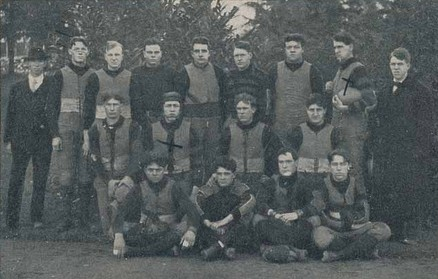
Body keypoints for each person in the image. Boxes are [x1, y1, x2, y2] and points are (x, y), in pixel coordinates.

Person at [371, 48, 436, 244]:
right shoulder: (384, 91)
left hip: (411, 153)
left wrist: (418, 152)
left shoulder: (421, 91)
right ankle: (394, 232)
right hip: (389, 151)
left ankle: (410, 233)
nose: (396, 68)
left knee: (410, 191)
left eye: (400, 64)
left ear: (408, 65)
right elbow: (379, 122)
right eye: (393, 64)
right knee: (390, 189)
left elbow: (426, 126)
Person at [4, 47, 61, 233]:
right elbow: (10, 114)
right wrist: (7, 139)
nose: (36, 64)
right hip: (20, 140)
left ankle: (36, 218)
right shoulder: (17, 87)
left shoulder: (51, 85)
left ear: (45, 64)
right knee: (16, 178)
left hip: (42, 139)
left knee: (40, 179)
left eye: (40, 61)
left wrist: (55, 135)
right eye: (33, 61)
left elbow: (53, 111)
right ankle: (11, 219)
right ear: (27, 63)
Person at [111, 151, 200, 258]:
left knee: (181, 232)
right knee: (118, 231)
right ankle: (165, 251)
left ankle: (135, 252)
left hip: (168, 230)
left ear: (165, 169)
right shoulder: (139, 187)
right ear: (144, 170)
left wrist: (191, 230)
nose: (154, 173)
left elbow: (191, 210)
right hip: (146, 230)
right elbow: (122, 210)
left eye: (158, 170)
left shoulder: (174, 187)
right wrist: (119, 236)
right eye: (150, 170)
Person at [50, 37, 96, 231]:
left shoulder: (94, 75)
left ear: (87, 52)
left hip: (87, 131)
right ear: (69, 52)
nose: (79, 52)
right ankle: (64, 219)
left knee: (86, 174)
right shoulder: (60, 74)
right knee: (66, 175)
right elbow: (51, 106)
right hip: (65, 130)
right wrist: (55, 134)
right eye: (75, 48)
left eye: (82, 49)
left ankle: (84, 219)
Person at [312, 149, 391, 262]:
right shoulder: (323, 184)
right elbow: (323, 215)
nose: (339, 168)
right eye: (335, 164)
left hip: (357, 230)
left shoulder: (357, 183)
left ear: (348, 166)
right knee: (319, 236)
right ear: (330, 166)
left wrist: (341, 216)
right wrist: (350, 220)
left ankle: (338, 255)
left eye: (342, 164)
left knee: (384, 229)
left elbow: (364, 214)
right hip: (335, 232)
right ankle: (364, 249)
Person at [88, 94, 145, 238]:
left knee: (123, 215)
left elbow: (136, 154)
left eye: (116, 105)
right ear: (104, 108)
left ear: (121, 107)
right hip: (104, 177)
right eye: (109, 105)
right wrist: (108, 180)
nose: (112, 109)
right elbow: (94, 158)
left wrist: (128, 177)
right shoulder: (95, 128)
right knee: (107, 229)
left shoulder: (132, 126)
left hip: (126, 175)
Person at [254, 148, 323, 263]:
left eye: (288, 162)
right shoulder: (271, 181)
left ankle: (272, 249)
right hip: (276, 222)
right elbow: (260, 202)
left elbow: (316, 203)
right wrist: (273, 213)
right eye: (281, 162)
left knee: (315, 220)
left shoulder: (304, 182)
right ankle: (294, 251)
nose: (284, 166)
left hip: (296, 223)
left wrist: (298, 214)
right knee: (257, 220)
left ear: (296, 163)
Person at [325, 31, 376, 187]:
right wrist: (331, 87)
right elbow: (345, 92)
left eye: (340, 47)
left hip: (354, 132)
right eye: (334, 47)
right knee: (340, 173)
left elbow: (369, 99)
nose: (336, 50)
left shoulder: (357, 69)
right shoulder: (341, 69)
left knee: (354, 171)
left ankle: (361, 210)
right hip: (339, 130)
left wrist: (347, 107)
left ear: (351, 47)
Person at [176, 36, 226, 182]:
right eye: (197, 51)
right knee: (194, 156)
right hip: (192, 121)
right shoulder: (184, 72)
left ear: (209, 53)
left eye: (203, 51)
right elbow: (179, 100)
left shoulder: (218, 72)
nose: (200, 54)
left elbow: (224, 98)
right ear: (192, 53)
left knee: (213, 157)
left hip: (214, 121)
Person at [220, 93, 283, 193]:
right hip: (235, 181)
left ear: (253, 110)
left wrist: (268, 176)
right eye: (239, 109)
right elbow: (220, 155)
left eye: (245, 108)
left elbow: (277, 154)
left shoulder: (265, 131)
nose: (241, 112)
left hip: (258, 181)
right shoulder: (229, 131)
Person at [195, 157, 256, 261]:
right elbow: (196, 204)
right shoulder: (209, 188)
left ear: (233, 175)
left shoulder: (240, 188)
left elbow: (250, 201)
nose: (222, 177)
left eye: (226, 174)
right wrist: (208, 223)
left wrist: (223, 222)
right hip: (213, 228)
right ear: (215, 175)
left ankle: (217, 248)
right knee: (203, 230)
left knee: (243, 223)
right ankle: (226, 250)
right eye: (219, 174)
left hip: (232, 227)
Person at [270, 33, 324, 141]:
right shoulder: (274, 70)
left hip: (305, 128)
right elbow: (269, 99)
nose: (292, 50)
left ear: (302, 49)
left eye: (296, 47)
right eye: (289, 47)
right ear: (285, 49)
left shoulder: (313, 71)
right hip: (280, 127)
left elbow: (319, 101)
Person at [145, 91, 201, 193]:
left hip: (183, 177)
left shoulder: (189, 128)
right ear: (162, 108)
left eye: (175, 106)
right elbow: (145, 155)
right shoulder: (152, 129)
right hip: (159, 178)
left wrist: (196, 183)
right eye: (168, 106)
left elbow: (197, 158)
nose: (172, 110)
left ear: (180, 109)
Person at [83, 41, 132, 155]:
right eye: (110, 55)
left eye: (117, 55)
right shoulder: (95, 77)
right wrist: (86, 134)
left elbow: (137, 106)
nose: (114, 58)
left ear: (122, 57)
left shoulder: (131, 77)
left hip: (125, 127)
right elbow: (88, 107)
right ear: (105, 57)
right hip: (100, 128)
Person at [287, 94, 342, 180]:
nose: (315, 114)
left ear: (325, 111)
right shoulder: (298, 131)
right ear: (306, 110)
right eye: (312, 110)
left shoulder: (333, 132)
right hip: (302, 179)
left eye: (319, 110)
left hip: (326, 179)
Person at [130, 38, 177, 128]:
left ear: (161, 54)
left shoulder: (170, 73)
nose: (153, 55)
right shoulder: (136, 73)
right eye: (149, 52)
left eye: (156, 52)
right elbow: (135, 100)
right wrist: (143, 120)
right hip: (144, 120)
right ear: (144, 54)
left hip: (165, 120)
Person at [224, 40, 272, 124]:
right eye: (236, 56)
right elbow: (227, 102)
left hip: (256, 123)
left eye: (242, 55)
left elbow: (265, 105)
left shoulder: (261, 76)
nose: (239, 59)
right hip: (235, 124)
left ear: (250, 55)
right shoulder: (229, 77)